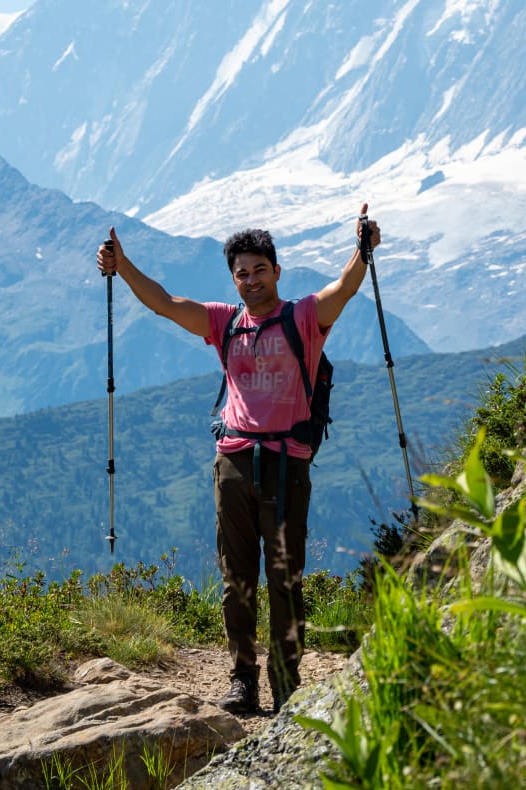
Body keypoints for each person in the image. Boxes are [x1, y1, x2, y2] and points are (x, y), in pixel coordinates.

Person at [96, 204, 381, 714]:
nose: (250, 281)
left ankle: (287, 687)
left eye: (259, 270)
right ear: (234, 279)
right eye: (241, 274)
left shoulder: (302, 318)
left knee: (284, 579)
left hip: (286, 462)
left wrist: (362, 250)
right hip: (233, 462)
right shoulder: (224, 323)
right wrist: (124, 266)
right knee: (237, 581)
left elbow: (344, 289)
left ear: (277, 271)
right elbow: (163, 302)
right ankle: (242, 682)